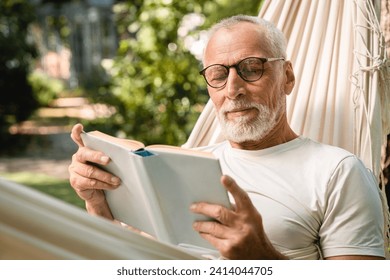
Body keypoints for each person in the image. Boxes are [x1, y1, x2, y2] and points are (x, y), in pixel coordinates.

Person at [68, 15, 386, 260]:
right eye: (219, 74)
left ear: (287, 76)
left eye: (251, 68)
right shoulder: (188, 162)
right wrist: (97, 203)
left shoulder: (338, 172)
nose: (233, 89)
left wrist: (263, 259)